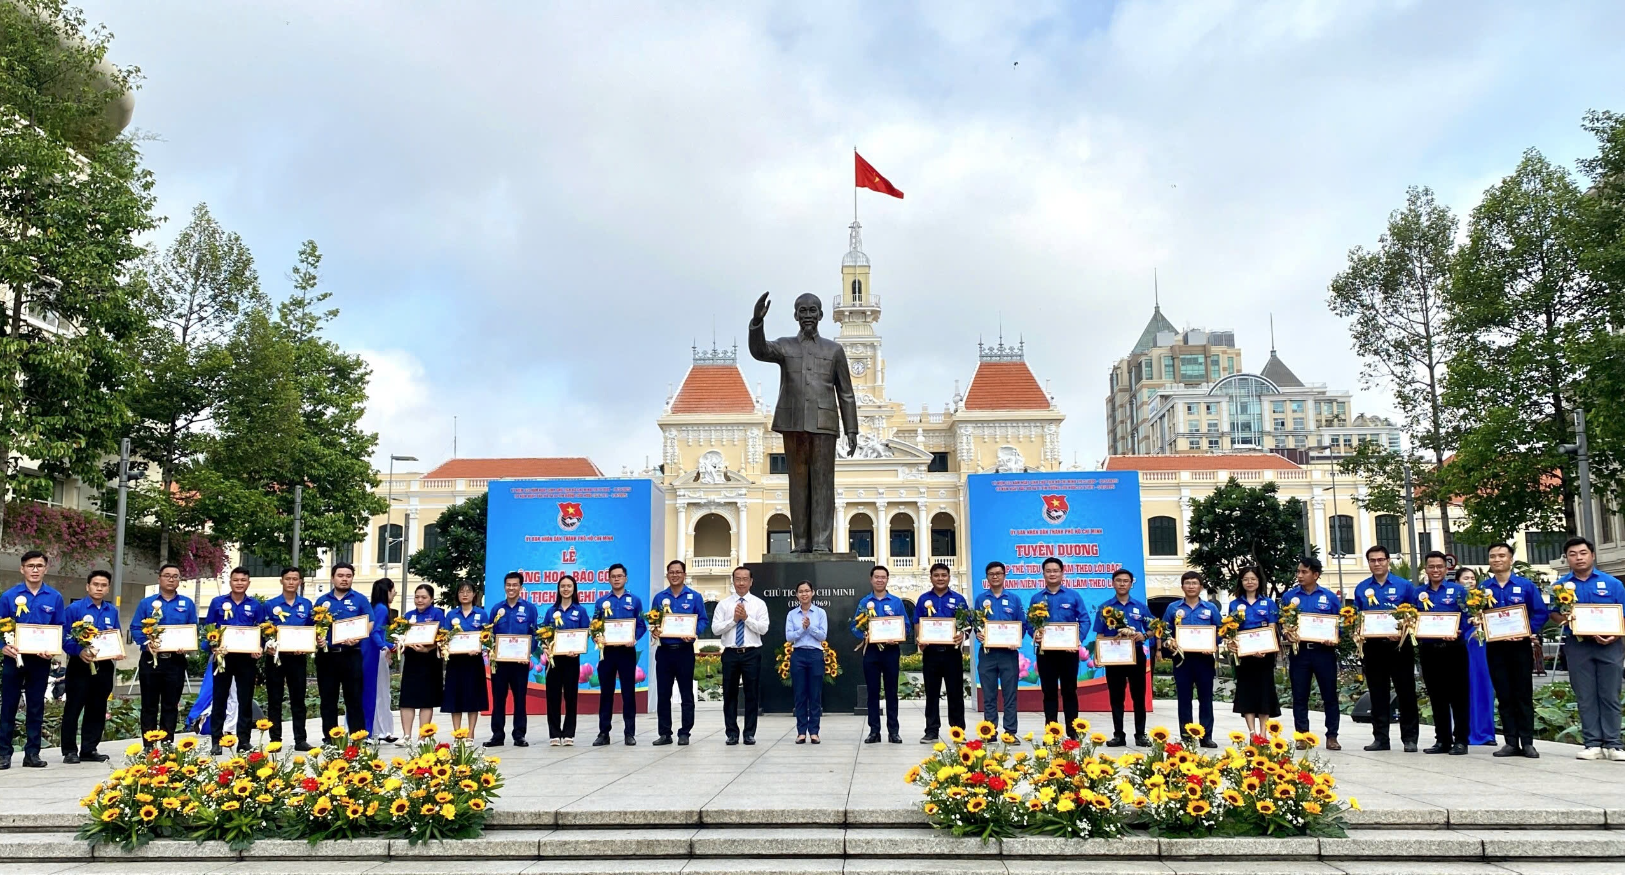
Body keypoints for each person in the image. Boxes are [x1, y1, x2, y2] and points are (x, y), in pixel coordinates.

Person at [1549, 537, 1624, 761]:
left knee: (1610, 694)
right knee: (1585, 695)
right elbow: (1553, 613)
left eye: (1583, 553)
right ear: (1567, 558)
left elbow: (1623, 614)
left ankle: (1614, 744)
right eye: (1573, 554)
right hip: (1578, 645)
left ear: (1592, 555)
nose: (1578, 557)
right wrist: (1566, 619)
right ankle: (1592, 743)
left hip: (1609, 645)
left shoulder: (1613, 584)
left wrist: (1615, 634)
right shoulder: (1560, 586)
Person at [1478, 542, 1548, 758]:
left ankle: (1527, 742)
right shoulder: (1483, 589)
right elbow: (1477, 613)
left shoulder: (1525, 586)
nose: (1497, 560)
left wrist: (1528, 631)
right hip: (1495, 647)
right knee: (1504, 695)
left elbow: (1540, 612)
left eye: (1501, 556)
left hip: (1520, 646)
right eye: (1492, 556)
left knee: (1523, 694)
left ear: (1510, 559)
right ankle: (1510, 741)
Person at [0, 551, 66, 769]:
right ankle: (3, 754)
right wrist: (3, 647)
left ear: (46, 569)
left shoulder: (54, 597)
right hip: (14, 659)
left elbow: (60, 629)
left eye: (39, 565)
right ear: (22, 569)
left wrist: (52, 650)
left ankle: (32, 754)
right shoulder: (9, 596)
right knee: (8, 706)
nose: (35, 569)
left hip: (40, 660)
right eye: (30, 566)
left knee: (36, 707)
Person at [1352, 546, 1420, 752]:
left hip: (1399, 646)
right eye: (1373, 560)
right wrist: (1358, 629)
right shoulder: (1361, 588)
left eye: (1381, 559)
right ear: (1369, 563)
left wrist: (1402, 630)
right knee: (1377, 693)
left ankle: (1409, 739)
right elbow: (1357, 616)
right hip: (1373, 648)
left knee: (1406, 691)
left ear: (1388, 561)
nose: (1377, 563)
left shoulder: (1404, 586)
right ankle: (1381, 738)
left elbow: (1414, 615)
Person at [1280, 557, 1343, 750]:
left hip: (1324, 652)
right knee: (1300, 696)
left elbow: (1338, 624)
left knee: (1329, 695)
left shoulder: (1330, 597)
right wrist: (1286, 633)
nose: (1299, 575)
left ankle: (1332, 736)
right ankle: (1302, 736)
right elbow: (1283, 623)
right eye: (1298, 572)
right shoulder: (1289, 597)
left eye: (1304, 572)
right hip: (1300, 653)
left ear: (1315, 575)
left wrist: (1334, 637)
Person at [130, 563, 196, 746]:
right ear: (159, 579)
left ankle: (167, 743)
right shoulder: (146, 603)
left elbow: (193, 629)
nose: (171, 579)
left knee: (170, 704)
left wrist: (187, 645)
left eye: (175, 576)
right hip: (150, 660)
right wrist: (145, 644)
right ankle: (149, 745)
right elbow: (136, 627)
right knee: (149, 705)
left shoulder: (187, 604)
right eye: (167, 575)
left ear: (179, 580)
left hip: (175, 661)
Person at [60, 569, 119, 764]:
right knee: (74, 707)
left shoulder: (112, 611)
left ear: (108, 588)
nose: (99, 588)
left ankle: (89, 748)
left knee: (97, 707)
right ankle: (69, 750)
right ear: (88, 586)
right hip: (80, 665)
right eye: (96, 584)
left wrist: (117, 650)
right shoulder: (75, 609)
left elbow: (115, 635)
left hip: (104, 666)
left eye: (103, 585)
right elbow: (64, 636)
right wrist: (78, 650)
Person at [1413, 551, 1469, 755]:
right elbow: (1411, 618)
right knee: (1436, 696)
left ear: (1446, 569)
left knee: (1459, 696)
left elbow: (1470, 616)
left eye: (1439, 566)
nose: (1435, 570)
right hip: (1429, 650)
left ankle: (1461, 740)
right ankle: (1442, 740)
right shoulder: (1417, 593)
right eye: (1431, 566)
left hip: (1454, 649)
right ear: (1425, 569)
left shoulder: (1459, 591)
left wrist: (1461, 630)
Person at [1158, 571, 1221, 747]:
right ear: (1182, 586)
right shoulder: (1173, 608)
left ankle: (1206, 736)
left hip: (1204, 659)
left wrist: (1213, 644)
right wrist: (1168, 641)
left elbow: (1220, 630)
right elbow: (1164, 630)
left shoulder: (1211, 608)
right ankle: (1186, 735)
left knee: (1206, 698)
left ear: (1201, 587)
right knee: (1184, 698)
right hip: (1181, 660)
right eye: (1188, 583)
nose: (1191, 586)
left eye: (1195, 583)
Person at [205, 567, 263, 754]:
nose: (239, 583)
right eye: (236, 579)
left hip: (246, 659)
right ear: (230, 581)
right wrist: (213, 645)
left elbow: (261, 630)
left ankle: (244, 741)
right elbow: (209, 629)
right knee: (220, 699)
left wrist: (259, 646)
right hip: (223, 658)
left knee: (245, 700)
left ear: (248, 583)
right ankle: (217, 741)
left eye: (243, 580)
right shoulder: (217, 603)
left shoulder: (255, 605)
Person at [651, 560, 707, 746]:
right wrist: (655, 630)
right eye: (671, 572)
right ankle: (665, 733)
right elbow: (653, 620)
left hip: (684, 651)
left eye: (678, 572)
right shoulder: (659, 598)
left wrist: (693, 633)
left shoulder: (694, 596)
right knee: (663, 694)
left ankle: (685, 732)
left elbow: (703, 620)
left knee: (686, 694)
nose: (675, 575)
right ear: (667, 575)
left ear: (684, 574)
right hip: (664, 651)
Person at [712, 565, 770, 745]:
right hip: (730, 653)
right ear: (733, 581)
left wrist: (746, 618)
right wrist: (733, 620)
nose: (741, 582)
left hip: (751, 653)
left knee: (751, 694)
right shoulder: (724, 604)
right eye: (738, 579)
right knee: (729, 694)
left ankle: (749, 733)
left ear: (751, 582)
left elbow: (763, 628)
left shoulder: (759, 604)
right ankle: (731, 733)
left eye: (745, 579)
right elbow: (715, 629)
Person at [1031, 557, 1087, 737]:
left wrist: (1077, 640)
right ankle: (1051, 731)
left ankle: (1073, 730)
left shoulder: (1073, 596)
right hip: (1045, 653)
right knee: (1049, 693)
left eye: (1055, 570)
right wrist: (1036, 634)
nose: (1052, 574)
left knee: (1070, 691)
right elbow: (1030, 622)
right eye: (1048, 571)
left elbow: (1084, 619)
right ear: (1043, 574)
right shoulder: (1037, 598)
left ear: (1062, 573)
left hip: (1068, 653)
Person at [1094, 568, 1151, 746]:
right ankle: (1118, 734)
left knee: (1138, 696)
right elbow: (1100, 634)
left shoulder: (1141, 607)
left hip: (1136, 657)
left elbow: (1153, 628)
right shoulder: (1105, 607)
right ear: (1112, 583)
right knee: (1116, 697)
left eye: (1126, 581)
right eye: (1118, 580)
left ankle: (1140, 734)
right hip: (1114, 658)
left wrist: (1145, 636)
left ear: (1131, 583)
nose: (1122, 584)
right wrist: (1098, 655)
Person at [315, 562, 372, 736]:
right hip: (327, 656)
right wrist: (318, 638)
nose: (344, 579)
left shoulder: (360, 599)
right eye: (340, 576)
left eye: (348, 576)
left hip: (351, 655)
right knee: (328, 699)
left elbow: (370, 622)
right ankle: (330, 738)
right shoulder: (322, 601)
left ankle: (358, 736)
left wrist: (359, 637)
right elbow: (315, 625)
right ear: (333, 578)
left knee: (354, 698)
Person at [592, 563, 646, 746]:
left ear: (626, 578)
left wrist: (635, 638)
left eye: (620, 576)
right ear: (608, 579)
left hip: (626, 651)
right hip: (607, 653)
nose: (616, 579)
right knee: (606, 693)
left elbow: (641, 624)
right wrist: (597, 638)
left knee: (628, 693)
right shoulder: (601, 602)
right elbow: (595, 626)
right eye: (613, 576)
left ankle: (629, 733)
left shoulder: (635, 600)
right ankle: (603, 733)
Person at [853, 564, 907, 744]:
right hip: (872, 653)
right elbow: (854, 626)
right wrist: (864, 634)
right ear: (871, 579)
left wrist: (897, 638)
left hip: (891, 651)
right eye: (876, 577)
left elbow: (905, 626)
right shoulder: (864, 602)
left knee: (891, 692)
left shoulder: (896, 602)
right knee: (872, 692)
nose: (879, 580)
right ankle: (874, 731)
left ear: (887, 579)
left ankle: (893, 731)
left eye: (883, 577)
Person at [914, 563, 967, 744]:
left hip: (952, 653)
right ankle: (931, 731)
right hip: (931, 653)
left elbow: (967, 624)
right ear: (931, 578)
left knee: (955, 693)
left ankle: (958, 731)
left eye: (944, 575)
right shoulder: (922, 599)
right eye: (936, 575)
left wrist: (963, 635)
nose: (940, 578)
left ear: (949, 577)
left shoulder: (959, 599)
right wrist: (919, 638)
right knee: (931, 693)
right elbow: (917, 622)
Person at [1225, 566, 1281, 737]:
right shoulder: (1235, 604)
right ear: (1241, 582)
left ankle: (1263, 732)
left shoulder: (1268, 603)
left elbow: (1272, 627)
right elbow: (1231, 630)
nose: (1250, 582)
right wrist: (1231, 643)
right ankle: (1252, 732)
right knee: (1247, 693)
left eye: (1253, 579)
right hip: (1245, 657)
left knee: (1265, 692)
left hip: (1265, 656)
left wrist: (1265, 648)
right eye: (1246, 579)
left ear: (1259, 581)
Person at [973, 561, 1027, 735]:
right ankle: (989, 731)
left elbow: (1022, 624)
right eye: (991, 574)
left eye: (998, 573)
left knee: (1010, 694)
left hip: (1008, 654)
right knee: (989, 694)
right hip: (987, 653)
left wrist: (1017, 639)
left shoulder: (1014, 599)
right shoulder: (981, 599)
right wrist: (978, 633)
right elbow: (976, 622)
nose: (995, 576)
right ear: (987, 577)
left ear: (1004, 575)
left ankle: (1010, 732)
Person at [265, 568, 314, 751]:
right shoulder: (271, 604)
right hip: (276, 658)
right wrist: (266, 646)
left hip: (298, 658)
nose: (291, 582)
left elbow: (312, 629)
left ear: (300, 582)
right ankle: (275, 739)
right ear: (281, 581)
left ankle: (300, 739)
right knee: (274, 699)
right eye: (288, 579)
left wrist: (310, 644)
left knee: (298, 699)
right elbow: (264, 630)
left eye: (295, 579)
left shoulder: (307, 604)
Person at [488, 571, 538, 748]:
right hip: (500, 663)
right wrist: (491, 649)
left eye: (515, 585)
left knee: (520, 699)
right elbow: (489, 634)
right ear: (504, 587)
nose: (511, 588)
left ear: (521, 587)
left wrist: (528, 653)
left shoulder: (530, 608)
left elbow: (534, 635)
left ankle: (519, 735)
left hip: (520, 664)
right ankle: (497, 735)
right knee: (499, 699)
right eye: (508, 585)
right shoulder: (496, 609)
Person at [542, 575, 590, 745]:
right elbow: (544, 634)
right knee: (553, 697)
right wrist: (545, 646)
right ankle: (554, 734)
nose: (566, 589)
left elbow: (586, 632)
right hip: (554, 661)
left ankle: (569, 733)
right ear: (559, 589)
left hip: (571, 659)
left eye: (569, 586)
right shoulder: (551, 611)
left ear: (574, 589)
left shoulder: (580, 611)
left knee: (571, 697)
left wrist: (577, 650)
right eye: (563, 586)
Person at [398, 583, 445, 743]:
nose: (420, 600)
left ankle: (422, 736)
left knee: (426, 699)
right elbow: (399, 636)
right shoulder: (408, 615)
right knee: (407, 699)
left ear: (431, 599)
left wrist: (428, 648)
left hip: (429, 660)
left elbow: (443, 637)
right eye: (417, 597)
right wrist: (401, 644)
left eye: (424, 597)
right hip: (412, 660)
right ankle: (406, 735)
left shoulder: (437, 614)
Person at [441, 580, 489, 735]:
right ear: (457, 595)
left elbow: (487, 637)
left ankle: (470, 733)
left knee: (472, 697)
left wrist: (480, 648)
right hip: (455, 662)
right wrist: (446, 647)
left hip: (474, 661)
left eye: (468, 591)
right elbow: (445, 637)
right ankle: (458, 733)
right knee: (455, 697)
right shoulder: (451, 615)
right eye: (462, 591)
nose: (465, 594)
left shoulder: (481, 614)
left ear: (474, 594)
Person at [1457, 567, 1498, 745]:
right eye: (1465, 578)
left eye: (1472, 578)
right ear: (1458, 581)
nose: (1470, 581)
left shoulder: (1484, 598)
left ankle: (1486, 733)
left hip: (1482, 644)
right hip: (1463, 644)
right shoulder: (1456, 600)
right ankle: (1464, 731)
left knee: (1484, 687)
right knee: (1464, 688)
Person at [785, 580, 828, 744]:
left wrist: (810, 627)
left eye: (807, 591)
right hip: (798, 655)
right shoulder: (791, 614)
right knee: (800, 694)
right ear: (797, 595)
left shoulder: (820, 613)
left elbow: (823, 636)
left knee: (815, 694)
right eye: (801, 591)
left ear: (812, 593)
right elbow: (789, 637)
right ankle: (801, 731)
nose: (804, 594)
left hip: (816, 655)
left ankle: (814, 732)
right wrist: (802, 629)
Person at [361, 578, 398, 741]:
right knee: (376, 692)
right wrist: (385, 648)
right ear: (387, 590)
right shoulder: (382, 609)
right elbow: (375, 633)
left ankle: (376, 730)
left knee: (373, 692)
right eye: (393, 589)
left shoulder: (375, 607)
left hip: (369, 651)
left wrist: (391, 645)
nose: (395, 593)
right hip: (375, 655)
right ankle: (372, 731)